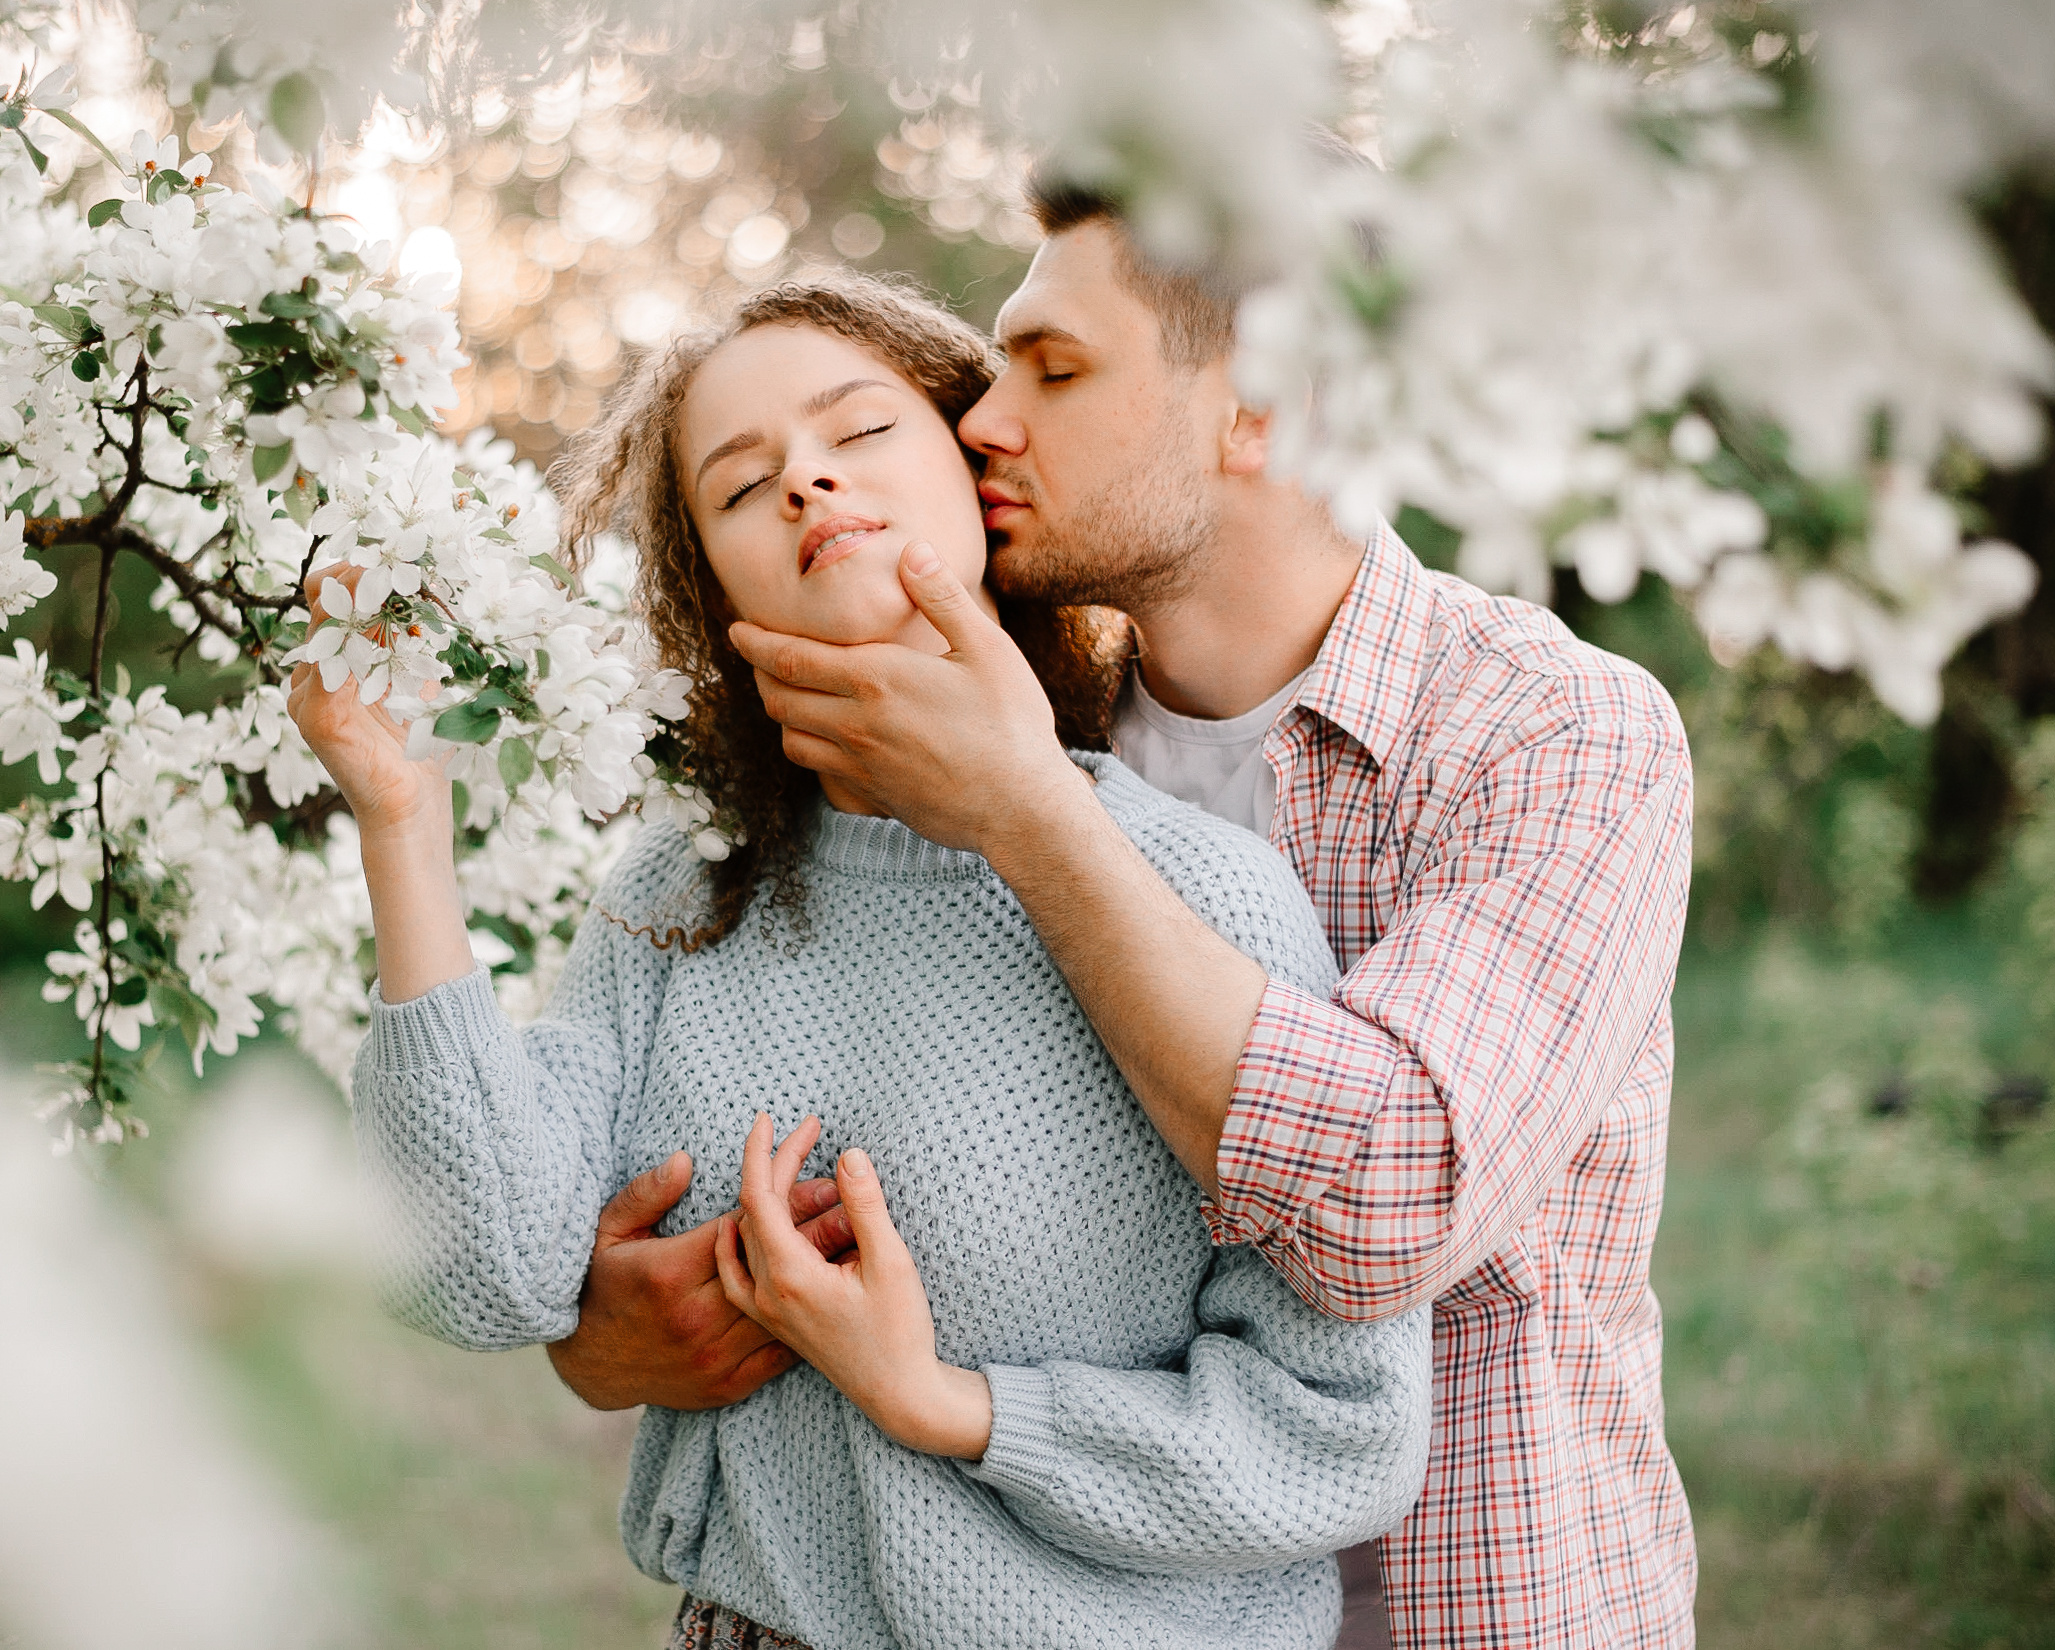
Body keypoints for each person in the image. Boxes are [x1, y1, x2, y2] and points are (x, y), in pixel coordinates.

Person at [558, 184, 1701, 1650]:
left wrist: (1027, 815)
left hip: (1474, 1610)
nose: (980, 418)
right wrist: (613, 1321)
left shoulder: (1554, 735)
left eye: (1056, 366)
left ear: (1269, 408)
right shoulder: (1008, 739)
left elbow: (1386, 1204)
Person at [295, 273, 1432, 1650]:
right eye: (739, 484)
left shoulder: (1201, 895)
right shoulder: (677, 898)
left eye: (860, 431)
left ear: (977, 467)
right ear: (710, 592)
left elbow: (1336, 1432)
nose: (807, 484)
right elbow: (477, 1264)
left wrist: (946, 1400)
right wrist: (400, 822)